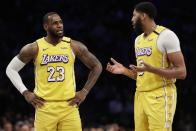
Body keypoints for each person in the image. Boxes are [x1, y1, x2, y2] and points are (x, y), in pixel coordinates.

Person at [6, 12, 102, 131]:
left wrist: (85, 91)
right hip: (45, 107)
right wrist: (25, 92)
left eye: (61, 22)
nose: (59, 25)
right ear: (46, 26)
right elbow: (10, 69)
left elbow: (97, 66)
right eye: (55, 23)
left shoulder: (74, 46)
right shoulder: (34, 47)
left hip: (69, 106)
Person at [106, 2, 186, 131]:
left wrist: (152, 69)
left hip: (160, 95)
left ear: (143, 16)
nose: (131, 19)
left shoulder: (166, 36)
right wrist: (124, 71)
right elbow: (143, 75)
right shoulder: (138, 40)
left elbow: (182, 72)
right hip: (141, 96)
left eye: (134, 15)